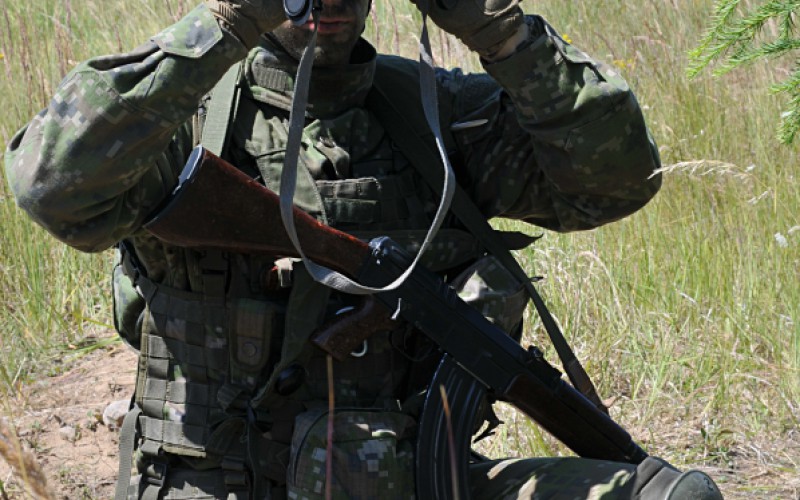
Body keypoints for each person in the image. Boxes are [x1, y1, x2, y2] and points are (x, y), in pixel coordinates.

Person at [4, 0, 722, 498]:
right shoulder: (184, 123)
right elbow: (50, 183)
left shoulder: (434, 118)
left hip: (416, 481)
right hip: (221, 486)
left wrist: (504, 35)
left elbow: (620, 181)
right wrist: (223, 25)